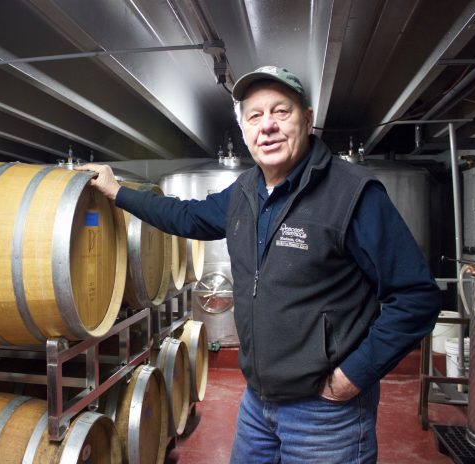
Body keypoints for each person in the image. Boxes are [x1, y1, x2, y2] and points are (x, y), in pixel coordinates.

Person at [78, 65, 440, 463]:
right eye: (255, 115)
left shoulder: (353, 194)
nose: (267, 126)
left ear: (307, 118)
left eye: (280, 112)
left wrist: (350, 378)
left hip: (325, 413)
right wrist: (117, 192)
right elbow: (186, 216)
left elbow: (416, 297)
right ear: (245, 129)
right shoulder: (245, 190)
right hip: (258, 405)